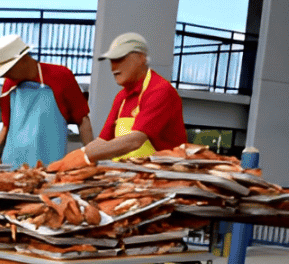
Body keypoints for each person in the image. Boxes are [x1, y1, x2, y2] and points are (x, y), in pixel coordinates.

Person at [49, 32, 186, 171]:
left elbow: (135, 141)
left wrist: (84, 156)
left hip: (163, 176)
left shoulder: (159, 90)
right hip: (128, 175)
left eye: (120, 59)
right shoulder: (122, 97)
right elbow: (103, 140)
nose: (113, 68)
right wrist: (73, 157)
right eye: (111, 61)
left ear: (141, 58)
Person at [0, 35, 92, 167]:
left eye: (8, 70)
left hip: (50, 167)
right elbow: (7, 126)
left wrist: (91, 155)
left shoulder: (61, 76)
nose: (6, 75)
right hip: (11, 165)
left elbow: (83, 120)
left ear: (22, 59)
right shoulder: (9, 85)